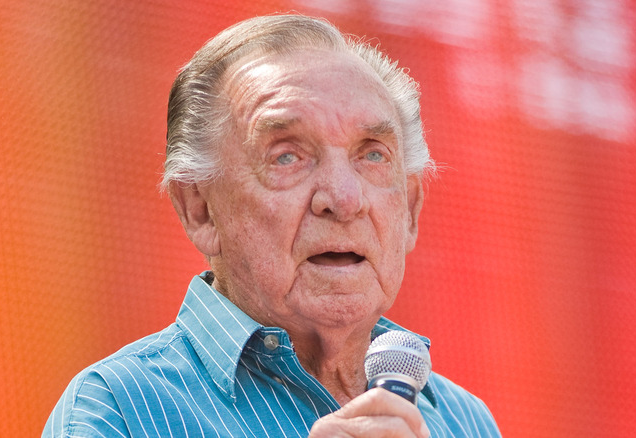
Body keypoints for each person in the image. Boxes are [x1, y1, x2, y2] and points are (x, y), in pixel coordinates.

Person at [43, 14, 501, 437]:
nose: (344, 200)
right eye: (287, 155)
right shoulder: (117, 409)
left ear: (411, 209)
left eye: (372, 154)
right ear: (199, 209)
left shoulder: (464, 421)